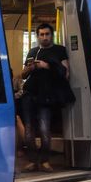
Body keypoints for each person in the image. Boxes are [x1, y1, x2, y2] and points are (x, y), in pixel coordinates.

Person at [20, 23, 71, 173]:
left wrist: (46, 66)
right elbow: (23, 74)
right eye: (41, 34)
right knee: (29, 130)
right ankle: (31, 160)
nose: (44, 37)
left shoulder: (59, 50)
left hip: (47, 96)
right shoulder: (33, 51)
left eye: (47, 34)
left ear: (52, 35)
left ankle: (45, 160)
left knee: (44, 128)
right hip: (30, 94)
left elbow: (66, 73)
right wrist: (30, 68)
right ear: (38, 36)